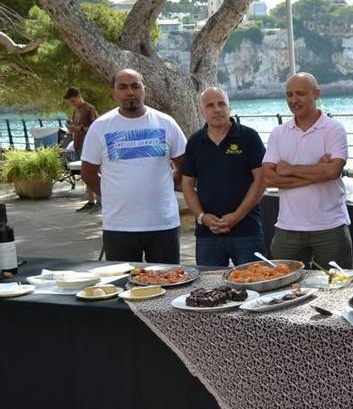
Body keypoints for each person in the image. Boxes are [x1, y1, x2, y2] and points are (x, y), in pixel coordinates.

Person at [81, 68, 187, 264]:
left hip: (163, 223)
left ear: (144, 90)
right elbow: (88, 173)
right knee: (123, 287)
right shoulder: (101, 127)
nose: (130, 92)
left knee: (170, 283)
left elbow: (185, 167)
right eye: (122, 87)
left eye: (135, 86)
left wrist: (169, 183)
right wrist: (113, 192)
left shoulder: (166, 123)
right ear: (114, 92)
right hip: (119, 225)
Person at [262, 73, 352, 270]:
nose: (294, 100)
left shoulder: (334, 130)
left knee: (336, 287)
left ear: (316, 94)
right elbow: (267, 177)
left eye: (300, 94)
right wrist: (317, 172)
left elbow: (333, 171)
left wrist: (288, 169)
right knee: (283, 288)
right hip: (287, 227)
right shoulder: (279, 133)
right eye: (289, 94)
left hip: (330, 226)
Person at [181, 87, 267, 266]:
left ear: (230, 107)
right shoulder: (195, 142)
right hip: (207, 233)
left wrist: (237, 215)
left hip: (247, 230)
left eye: (221, 104)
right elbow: (187, 185)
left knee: (255, 284)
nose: (217, 109)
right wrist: (202, 217)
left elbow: (261, 180)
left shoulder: (249, 137)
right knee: (209, 287)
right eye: (210, 105)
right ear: (202, 110)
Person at [63, 87, 100, 212]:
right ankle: (90, 201)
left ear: (79, 96)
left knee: (93, 172)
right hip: (80, 144)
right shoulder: (76, 110)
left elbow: (96, 128)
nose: (72, 104)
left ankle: (98, 201)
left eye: (73, 101)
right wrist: (72, 128)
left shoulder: (90, 109)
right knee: (85, 174)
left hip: (90, 145)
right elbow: (77, 127)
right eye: (70, 102)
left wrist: (80, 129)